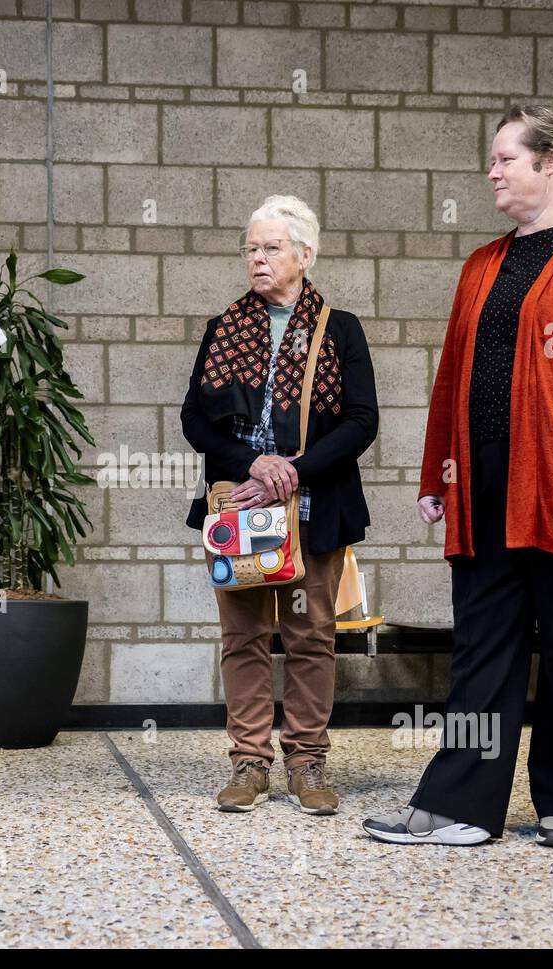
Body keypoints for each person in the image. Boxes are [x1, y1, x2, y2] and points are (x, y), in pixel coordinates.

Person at [363, 105, 553, 849]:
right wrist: (435, 474)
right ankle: (460, 806)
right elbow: (451, 380)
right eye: (493, 159)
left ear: (550, 163)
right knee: (480, 650)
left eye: (505, 158)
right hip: (484, 495)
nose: (492, 171)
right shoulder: (481, 264)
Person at [181, 195, 378, 815]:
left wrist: (292, 471)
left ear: (304, 255)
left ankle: (307, 762)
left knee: (310, 634)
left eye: (270, 248)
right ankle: (248, 762)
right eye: (251, 248)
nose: (257, 258)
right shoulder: (224, 329)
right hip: (239, 503)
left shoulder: (340, 328)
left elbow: (361, 421)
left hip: (315, 505)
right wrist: (255, 466)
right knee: (242, 636)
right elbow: (194, 420)